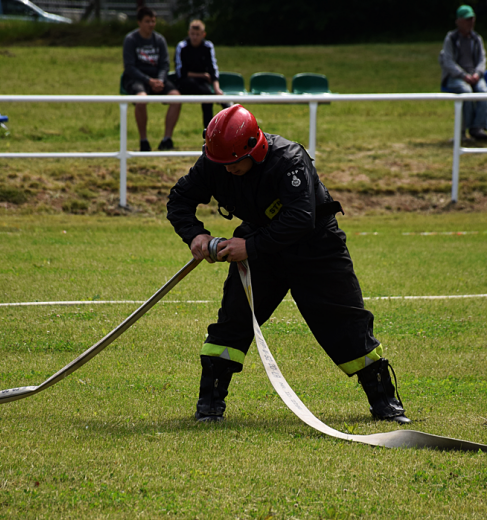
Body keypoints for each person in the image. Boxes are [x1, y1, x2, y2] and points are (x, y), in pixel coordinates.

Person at [166, 105, 410, 425]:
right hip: (259, 248)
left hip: (316, 247)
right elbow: (179, 200)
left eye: (233, 164)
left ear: (255, 149)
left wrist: (248, 247)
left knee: (345, 324)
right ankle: (209, 404)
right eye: (220, 164)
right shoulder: (217, 160)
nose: (226, 171)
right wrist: (195, 236)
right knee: (233, 321)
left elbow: (300, 219)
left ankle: (384, 401)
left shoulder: (290, 160)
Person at [122, 6, 181, 151]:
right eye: (147, 21)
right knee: (141, 100)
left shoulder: (160, 40)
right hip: (137, 79)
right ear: (139, 22)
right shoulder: (131, 39)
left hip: (158, 79)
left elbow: (165, 64)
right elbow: (129, 67)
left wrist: (160, 80)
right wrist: (148, 80)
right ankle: (144, 141)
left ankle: (167, 140)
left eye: (153, 21)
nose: (151, 25)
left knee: (177, 98)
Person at [439, 4, 487, 141]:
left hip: (474, 76)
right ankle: (463, 131)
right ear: (458, 21)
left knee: (483, 91)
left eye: (472, 19)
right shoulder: (451, 38)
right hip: (455, 77)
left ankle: (478, 128)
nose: (471, 22)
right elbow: (448, 62)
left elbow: (482, 59)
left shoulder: (476, 39)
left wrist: (477, 74)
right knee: (466, 92)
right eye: (467, 19)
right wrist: (463, 76)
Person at [175, 19, 225, 130]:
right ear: (189, 33)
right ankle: (220, 103)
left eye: (198, 34)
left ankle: (209, 133)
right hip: (185, 83)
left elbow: (213, 69)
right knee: (206, 94)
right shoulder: (182, 46)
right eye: (192, 34)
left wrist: (217, 89)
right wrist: (202, 75)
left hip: (202, 85)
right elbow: (181, 73)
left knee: (207, 98)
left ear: (203, 34)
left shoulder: (208, 46)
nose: (195, 37)